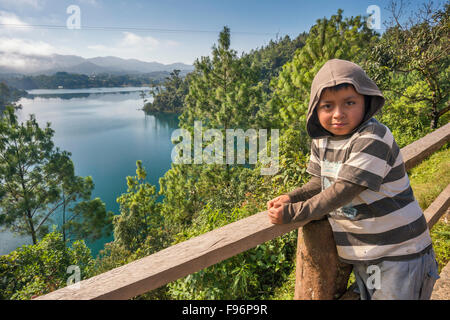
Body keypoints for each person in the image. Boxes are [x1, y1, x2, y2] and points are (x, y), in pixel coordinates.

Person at [267, 59, 439, 300]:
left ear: (365, 101)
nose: (338, 114)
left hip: (400, 253)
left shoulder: (374, 136)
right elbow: (320, 183)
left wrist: (293, 213)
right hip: (366, 255)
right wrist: (291, 197)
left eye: (349, 103)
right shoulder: (321, 141)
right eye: (327, 106)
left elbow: (343, 190)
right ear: (315, 109)